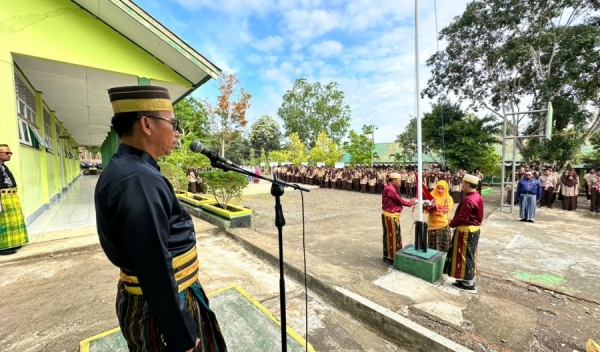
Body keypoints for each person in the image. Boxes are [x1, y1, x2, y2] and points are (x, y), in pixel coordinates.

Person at [94, 86, 226, 352]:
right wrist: (182, 336)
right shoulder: (139, 180)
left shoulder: (132, 169)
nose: (177, 133)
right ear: (146, 124)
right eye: (173, 123)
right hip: (160, 309)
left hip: (157, 299)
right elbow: (152, 264)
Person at [444, 174, 484, 294]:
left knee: (464, 256)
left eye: (462, 183)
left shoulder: (468, 199)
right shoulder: (477, 196)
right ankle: (465, 279)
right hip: (473, 229)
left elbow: (462, 218)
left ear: (467, 184)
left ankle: (468, 284)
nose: (461, 185)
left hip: (466, 231)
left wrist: (451, 223)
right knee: (468, 255)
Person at [381, 172, 416, 265]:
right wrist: (411, 203)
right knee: (391, 236)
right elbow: (399, 200)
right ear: (395, 180)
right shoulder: (389, 189)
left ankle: (391, 255)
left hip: (392, 215)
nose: (400, 182)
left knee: (393, 236)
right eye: (399, 180)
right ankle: (390, 257)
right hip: (390, 215)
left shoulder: (391, 188)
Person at [0, 144, 28, 254]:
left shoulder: (3, 166)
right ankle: (2, 247)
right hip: (2, 198)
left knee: (11, 222)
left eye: (10, 153)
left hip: (9, 197)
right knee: (2, 222)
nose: (9, 155)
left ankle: (11, 243)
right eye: (7, 153)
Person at [424, 180, 454, 252]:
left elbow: (446, 209)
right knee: (432, 247)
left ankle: (443, 262)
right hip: (432, 225)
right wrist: (425, 205)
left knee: (444, 247)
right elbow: (427, 208)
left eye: (442, 188)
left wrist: (436, 206)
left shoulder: (448, 198)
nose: (440, 190)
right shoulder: (431, 196)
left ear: (446, 189)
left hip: (443, 225)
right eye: (438, 188)